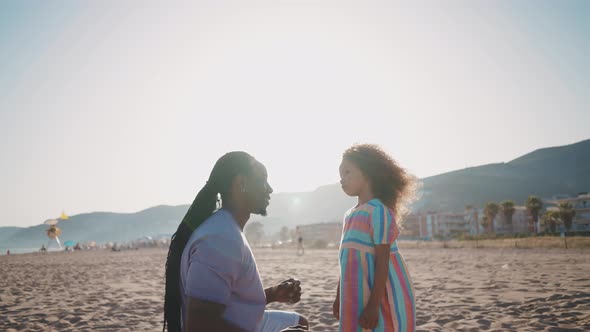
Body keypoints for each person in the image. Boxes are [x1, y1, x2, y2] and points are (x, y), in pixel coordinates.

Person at [163, 151, 308, 332]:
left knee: (299, 323)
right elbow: (200, 326)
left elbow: (225, 300)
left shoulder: (225, 227)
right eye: (263, 180)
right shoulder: (220, 238)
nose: (269, 188)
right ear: (241, 183)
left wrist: (272, 293)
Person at [333, 144, 416, 331]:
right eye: (340, 174)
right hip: (354, 296)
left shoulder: (378, 211)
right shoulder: (349, 215)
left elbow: (382, 261)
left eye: (347, 172)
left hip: (379, 298)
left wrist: (373, 306)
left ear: (367, 172)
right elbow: (346, 261)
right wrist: (339, 296)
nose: (341, 179)